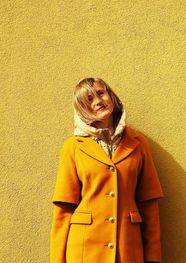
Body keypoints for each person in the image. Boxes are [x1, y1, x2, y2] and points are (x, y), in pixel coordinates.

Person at [50, 77, 164, 263]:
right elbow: (64, 210)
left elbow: (149, 207)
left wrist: (153, 259)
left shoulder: (138, 143)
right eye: (89, 99)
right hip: (84, 252)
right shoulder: (73, 147)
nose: (98, 101)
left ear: (111, 96)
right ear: (82, 108)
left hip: (128, 251)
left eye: (101, 93)